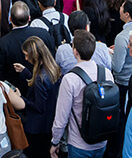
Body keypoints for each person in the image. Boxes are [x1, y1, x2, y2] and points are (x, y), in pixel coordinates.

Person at [51, 30, 114, 158]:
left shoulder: (70, 79)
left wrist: (55, 141)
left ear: (75, 51)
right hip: (102, 140)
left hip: (79, 143)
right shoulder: (106, 73)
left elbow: (61, 117)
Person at [12, 36, 61, 157]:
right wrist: (26, 73)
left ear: (35, 55)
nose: (25, 58)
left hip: (36, 127)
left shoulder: (40, 78)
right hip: (49, 122)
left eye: (27, 55)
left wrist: (20, 98)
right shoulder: (52, 68)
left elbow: (39, 107)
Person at [0, 2, 56, 95]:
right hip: (45, 88)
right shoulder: (43, 34)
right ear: (29, 18)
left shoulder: (3, 43)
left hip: (16, 92)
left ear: (10, 19)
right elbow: (52, 58)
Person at [55, 11, 112, 75]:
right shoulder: (102, 47)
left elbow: (58, 72)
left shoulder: (62, 50)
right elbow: (109, 68)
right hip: (99, 84)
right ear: (87, 27)